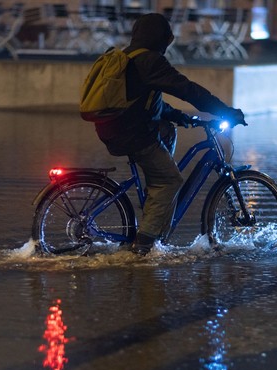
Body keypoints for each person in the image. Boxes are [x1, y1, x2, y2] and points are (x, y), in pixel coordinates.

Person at [92, 13, 245, 255]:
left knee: (167, 130)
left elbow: (143, 103)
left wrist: (178, 116)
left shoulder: (129, 57)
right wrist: (225, 111)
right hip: (132, 134)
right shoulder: (150, 61)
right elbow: (187, 90)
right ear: (160, 38)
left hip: (118, 128)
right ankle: (143, 245)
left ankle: (157, 214)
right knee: (170, 180)